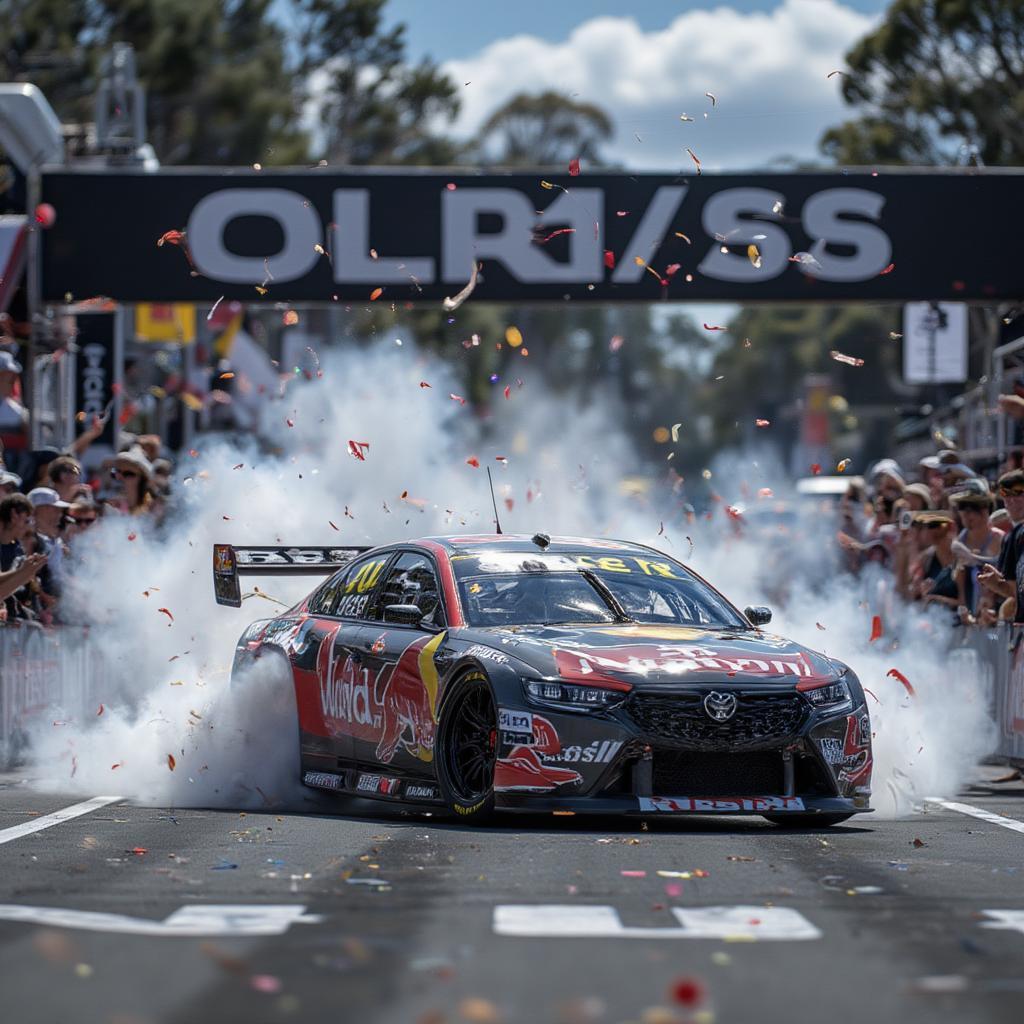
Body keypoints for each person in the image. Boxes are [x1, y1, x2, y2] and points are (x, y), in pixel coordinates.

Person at [978, 470, 1024, 623]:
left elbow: (1012, 590)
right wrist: (995, 582)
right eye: (1005, 493)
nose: (1011, 499)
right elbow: (1014, 590)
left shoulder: (1018, 533)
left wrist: (995, 583)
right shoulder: (1010, 536)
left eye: (1018, 492)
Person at [0, 493, 47, 621]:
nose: (28, 527)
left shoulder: (17, 548)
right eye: (27, 521)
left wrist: (26, 573)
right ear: (14, 515)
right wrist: (22, 572)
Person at [910, 511, 959, 610]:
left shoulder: (961, 556)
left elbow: (967, 603)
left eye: (935, 525)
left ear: (950, 527)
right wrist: (918, 589)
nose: (930, 530)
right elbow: (913, 592)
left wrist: (937, 600)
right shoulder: (925, 559)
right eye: (927, 525)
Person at [108, 447, 154, 516]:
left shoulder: (152, 511)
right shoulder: (110, 508)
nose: (119, 477)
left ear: (142, 480)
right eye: (117, 472)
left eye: (128, 474)